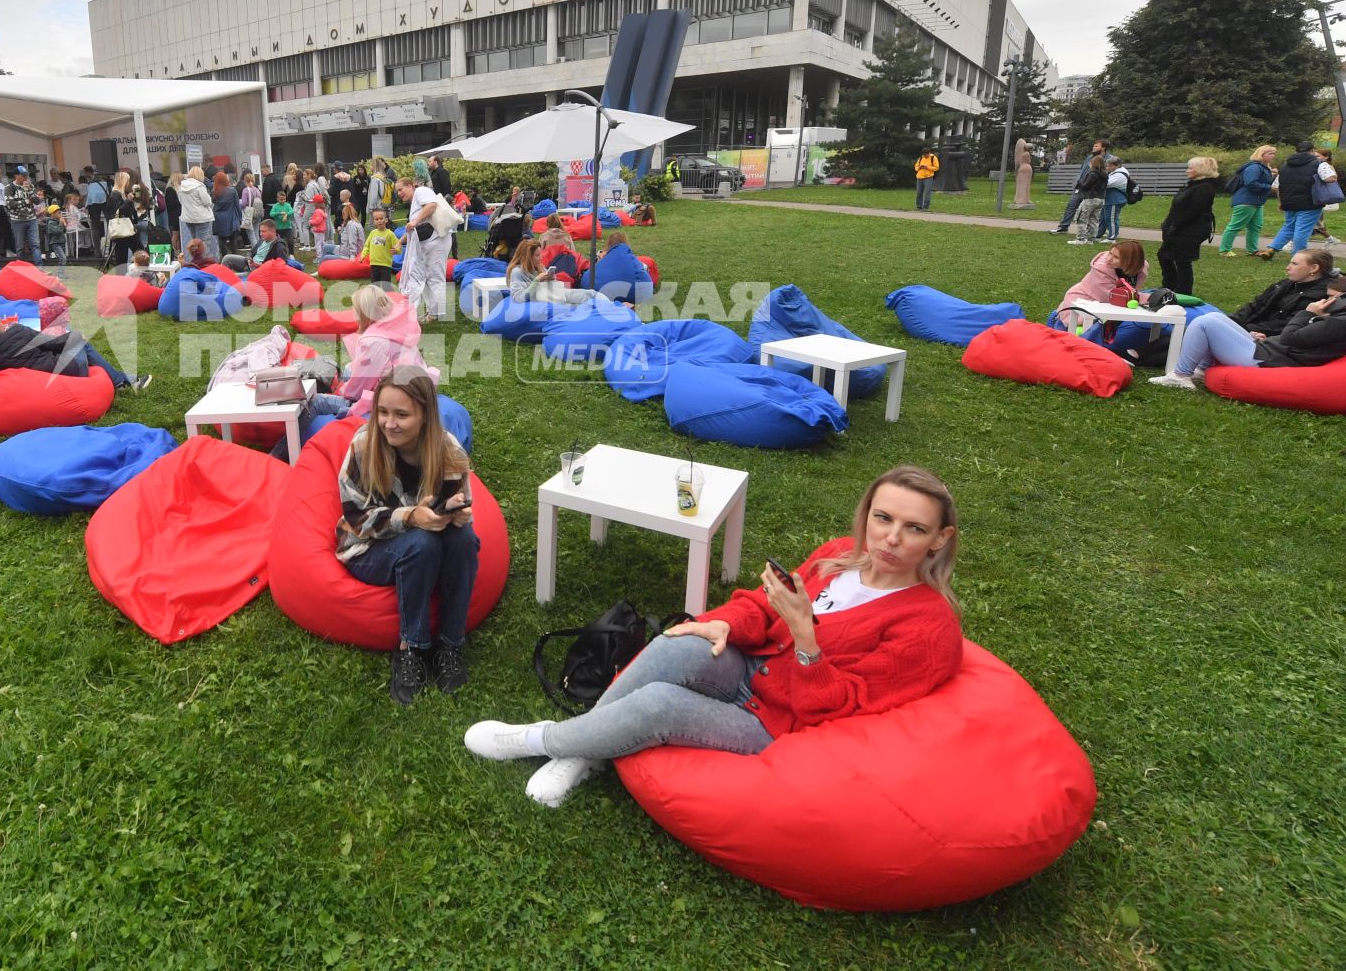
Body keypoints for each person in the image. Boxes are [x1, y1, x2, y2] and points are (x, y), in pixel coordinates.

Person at [467, 466, 964, 807]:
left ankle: (543, 740)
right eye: (883, 518)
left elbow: (839, 708)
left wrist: (805, 638)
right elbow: (758, 605)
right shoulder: (838, 556)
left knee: (658, 704)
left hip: (779, 721)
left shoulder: (927, 629)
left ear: (940, 539)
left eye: (914, 528)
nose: (891, 539)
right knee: (675, 642)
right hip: (750, 667)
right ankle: (588, 748)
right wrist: (724, 622)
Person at [336, 368, 478, 704]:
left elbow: (458, 501)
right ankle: (411, 647)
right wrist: (411, 517)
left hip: (429, 540)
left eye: (401, 414)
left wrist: (455, 514)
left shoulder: (448, 448)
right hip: (367, 546)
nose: (389, 423)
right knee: (421, 542)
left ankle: (451, 643)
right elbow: (356, 519)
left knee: (464, 540)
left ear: (425, 415)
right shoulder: (363, 446)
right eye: (383, 412)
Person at [1149, 272, 1346, 388]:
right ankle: (1201, 369)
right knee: (1215, 318)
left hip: (1267, 360)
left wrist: (1306, 312)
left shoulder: (1339, 323)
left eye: (1331, 298)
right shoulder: (1336, 318)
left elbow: (1289, 337)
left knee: (1205, 323)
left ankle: (1180, 376)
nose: (1324, 301)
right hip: (1268, 350)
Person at [0, 308, 150, 393]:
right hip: (65, 372)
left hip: (32, 390)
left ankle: (124, 380)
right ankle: (123, 381)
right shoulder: (16, 333)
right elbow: (53, 343)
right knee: (79, 341)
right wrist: (76, 336)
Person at [1227, 249, 1336, 338]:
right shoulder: (1286, 284)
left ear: (1314, 268)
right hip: (1250, 331)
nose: (1287, 267)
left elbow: (1286, 325)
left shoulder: (1322, 295)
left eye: (1294, 264)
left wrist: (1244, 329)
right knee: (1212, 320)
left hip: (1267, 340)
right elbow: (1255, 305)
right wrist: (1231, 322)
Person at [1157, 156, 1220, 294]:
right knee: (1164, 254)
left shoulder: (1205, 188)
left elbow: (1195, 211)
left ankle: (1183, 290)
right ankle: (1169, 284)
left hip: (1191, 229)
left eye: (1191, 168)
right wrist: (1168, 223)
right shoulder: (1192, 185)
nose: (1187, 171)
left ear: (1200, 170)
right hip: (1178, 227)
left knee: (1182, 259)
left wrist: (1176, 224)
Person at [1057, 239, 1147, 331]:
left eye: (1116, 257)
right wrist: (1147, 298)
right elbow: (1113, 297)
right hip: (1083, 299)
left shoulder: (1139, 270)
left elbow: (1132, 291)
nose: (1109, 259)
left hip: (1112, 305)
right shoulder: (1100, 270)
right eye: (1110, 253)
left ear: (1130, 261)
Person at [1257, 141, 1323, 260]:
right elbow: (1330, 178)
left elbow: (1277, 186)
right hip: (1309, 203)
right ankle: (1298, 256)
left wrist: (1281, 202)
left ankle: (1271, 249)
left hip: (1289, 202)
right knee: (1302, 229)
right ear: (1312, 150)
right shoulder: (1318, 164)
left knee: (1288, 226)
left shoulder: (1285, 166)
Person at [396, 175, 448, 321]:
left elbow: (431, 205)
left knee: (435, 275)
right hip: (428, 242)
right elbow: (413, 228)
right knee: (426, 275)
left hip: (436, 241)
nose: (399, 193)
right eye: (397, 192)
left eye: (401, 189)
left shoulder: (421, 191)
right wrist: (400, 242)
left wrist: (415, 221)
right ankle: (431, 311)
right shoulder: (415, 201)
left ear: (411, 186)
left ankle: (436, 313)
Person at [1219, 145, 1278, 257]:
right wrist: (1269, 187)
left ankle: (1252, 250)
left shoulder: (1263, 167)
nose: (1273, 156)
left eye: (1273, 153)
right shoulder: (1254, 167)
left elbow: (1261, 180)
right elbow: (1250, 183)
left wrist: (1272, 175)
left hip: (1257, 201)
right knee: (1235, 225)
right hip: (1246, 200)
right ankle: (1225, 250)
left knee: (1255, 226)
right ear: (1261, 154)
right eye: (1270, 153)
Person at [1052, 139, 1110, 234]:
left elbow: (1107, 174)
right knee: (1071, 206)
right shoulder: (1089, 157)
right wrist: (1077, 182)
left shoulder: (1109, 159)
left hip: (1094, 191)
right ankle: (1063, 227)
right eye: (1093, 146)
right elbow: (1082, 170)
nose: (1093, 147)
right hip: (1080, 187)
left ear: (1103, 147)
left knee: (1091, 213)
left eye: (1096, 146)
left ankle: (1093, 232)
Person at [1065, 155, 1108, 245]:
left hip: (1090, 198)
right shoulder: (1105, 174)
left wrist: (1079, 182)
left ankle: (1081, 238)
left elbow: (1085, 186)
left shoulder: (1092, 173)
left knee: (1082, 218)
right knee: (1094, 219)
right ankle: (1091, 238)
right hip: (1100, 198)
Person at [175, 165, 215, 252]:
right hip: (202, 218)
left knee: (194, 242)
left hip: (188, 218)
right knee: (201, 243)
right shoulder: (200, 186)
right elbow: (207, 202)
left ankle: (196, 262)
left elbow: (181, 201)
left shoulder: (181, 187)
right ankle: (202, 264)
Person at [361, 207, 400, 282]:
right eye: (376, 219)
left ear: (386, 220)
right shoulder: (372, 233)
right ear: (374, 221)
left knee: (386, 285)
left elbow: (398, 245)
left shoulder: (390, 234)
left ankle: (388, 294)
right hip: (374, 264)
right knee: (375, 285)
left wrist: (396, 250)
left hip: (385, 265)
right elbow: (367, 246)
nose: (379, 221)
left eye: (381, 218)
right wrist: (363, 255)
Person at [1098, 156, 1130, 243]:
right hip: (1109, 199)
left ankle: (1112, 237)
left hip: (1114, 200)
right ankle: (1098, 235)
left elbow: (1107, 184)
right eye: (1106, 166)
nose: (1107, 168)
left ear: (1117, 165)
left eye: (1109, 166)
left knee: (1111, 219)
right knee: (1103, 218)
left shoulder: (1120, 174)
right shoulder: (1115, 173)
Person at [211, 170, 241, 258]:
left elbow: (213, 202)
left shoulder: (214, 191)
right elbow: (237, 205)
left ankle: (225, 259)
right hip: (231, 218)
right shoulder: (232, 190)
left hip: (219, 219)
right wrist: (240, 218)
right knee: (233, 240)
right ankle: (235, 259)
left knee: (222, 240)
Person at [1012, 137, 1034, 209]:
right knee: (1026, 185)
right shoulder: (1027, 154)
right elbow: (1029, 161)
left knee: (1022, 184)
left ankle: (1020, 198)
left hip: (1022, 169)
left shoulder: (1021, 154)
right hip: (1027, 168)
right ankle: (1024, 199)